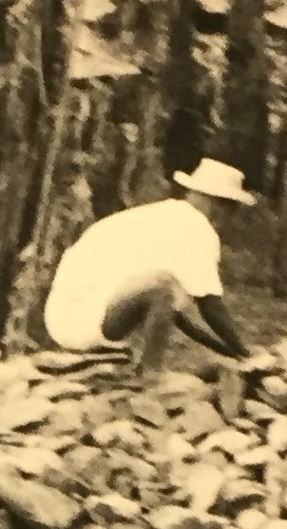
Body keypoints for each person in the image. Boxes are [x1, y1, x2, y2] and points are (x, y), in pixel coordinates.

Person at [41, 158, 255, 374]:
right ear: (219, 204)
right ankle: (149, 377)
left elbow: (182, 313)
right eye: (230, 208)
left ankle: (129, 364)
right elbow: (210, 307)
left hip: (63, 317)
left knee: (167, 290)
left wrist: (234, 352)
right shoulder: (196, 226)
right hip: (83, 318)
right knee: (163, 284)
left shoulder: (166, 216)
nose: (230, 216)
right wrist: (243, 352)